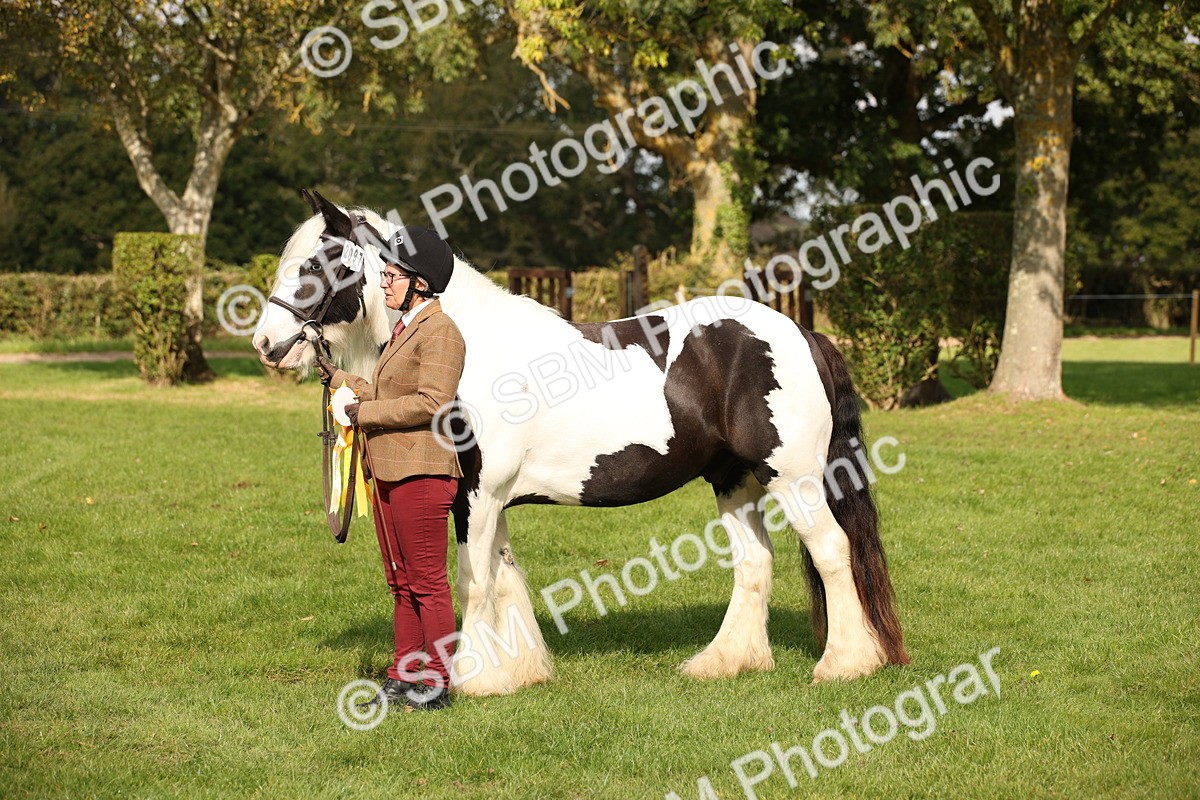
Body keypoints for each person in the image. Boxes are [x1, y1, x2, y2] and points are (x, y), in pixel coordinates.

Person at [315, 225, 465, 712]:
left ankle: (438, 681)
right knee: (400, 579)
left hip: (422, 471)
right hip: (390, 468)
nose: (383, 281)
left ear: (419, 282)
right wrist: (341, 379)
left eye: (392, 274)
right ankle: (404, 673)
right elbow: (389, 392)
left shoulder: (441, 332)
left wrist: (364, 414)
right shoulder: (405, 329)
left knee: (427, 581)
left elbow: (432, 402)